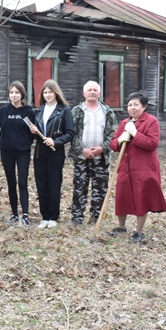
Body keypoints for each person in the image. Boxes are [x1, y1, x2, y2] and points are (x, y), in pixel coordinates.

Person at [109, 90, 166, 242]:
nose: (132, 108)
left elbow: (152, 144)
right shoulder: (124, 123)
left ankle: (138, 231)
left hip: (143, 168)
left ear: (144, 106)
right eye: (129, 105)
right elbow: (113, 144)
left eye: (136, 104)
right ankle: (121, 227)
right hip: (125, 167)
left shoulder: (151, 121)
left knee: (141, 198)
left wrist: (135, 133)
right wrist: (120, 139)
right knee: (122, 197)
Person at [68, 81, 117, 226]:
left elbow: (113, 133)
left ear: (99, 93)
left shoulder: (107, 112)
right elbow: (71, 133)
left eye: (95, 90)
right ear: (84, 93)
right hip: (81, 157)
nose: (92, 92)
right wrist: (82, 149)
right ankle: (77, 218)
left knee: (100, 189)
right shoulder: (77, 111)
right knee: (79, 188)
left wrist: (102, 148)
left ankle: (95, 218)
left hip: (101, 158)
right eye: (89, 90)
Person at [29, 79, 74, 228]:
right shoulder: (39, 110)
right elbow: (36, 135)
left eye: (50, 92)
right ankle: (45, 216)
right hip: (40, 151)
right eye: (45, 92)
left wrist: (55, 141)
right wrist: (34, 132)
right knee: (41, 184)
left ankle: (53, 217)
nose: (48, 95)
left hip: (55, 152)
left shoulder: (64, 110)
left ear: (56, 93)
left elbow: (70, 133)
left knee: (54, 183)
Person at [0, 81, 35, 226]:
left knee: (23, 182)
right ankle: (14, 213)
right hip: (7, 153)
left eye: (17, 92)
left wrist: (25, 144)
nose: (14, 95)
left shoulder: (28, 112)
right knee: (11, 182)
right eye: (11, 92)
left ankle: (25, 214)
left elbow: (32, 133)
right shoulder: (3, 111)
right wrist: (2, 146)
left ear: (22, 94)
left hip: (23, 152)